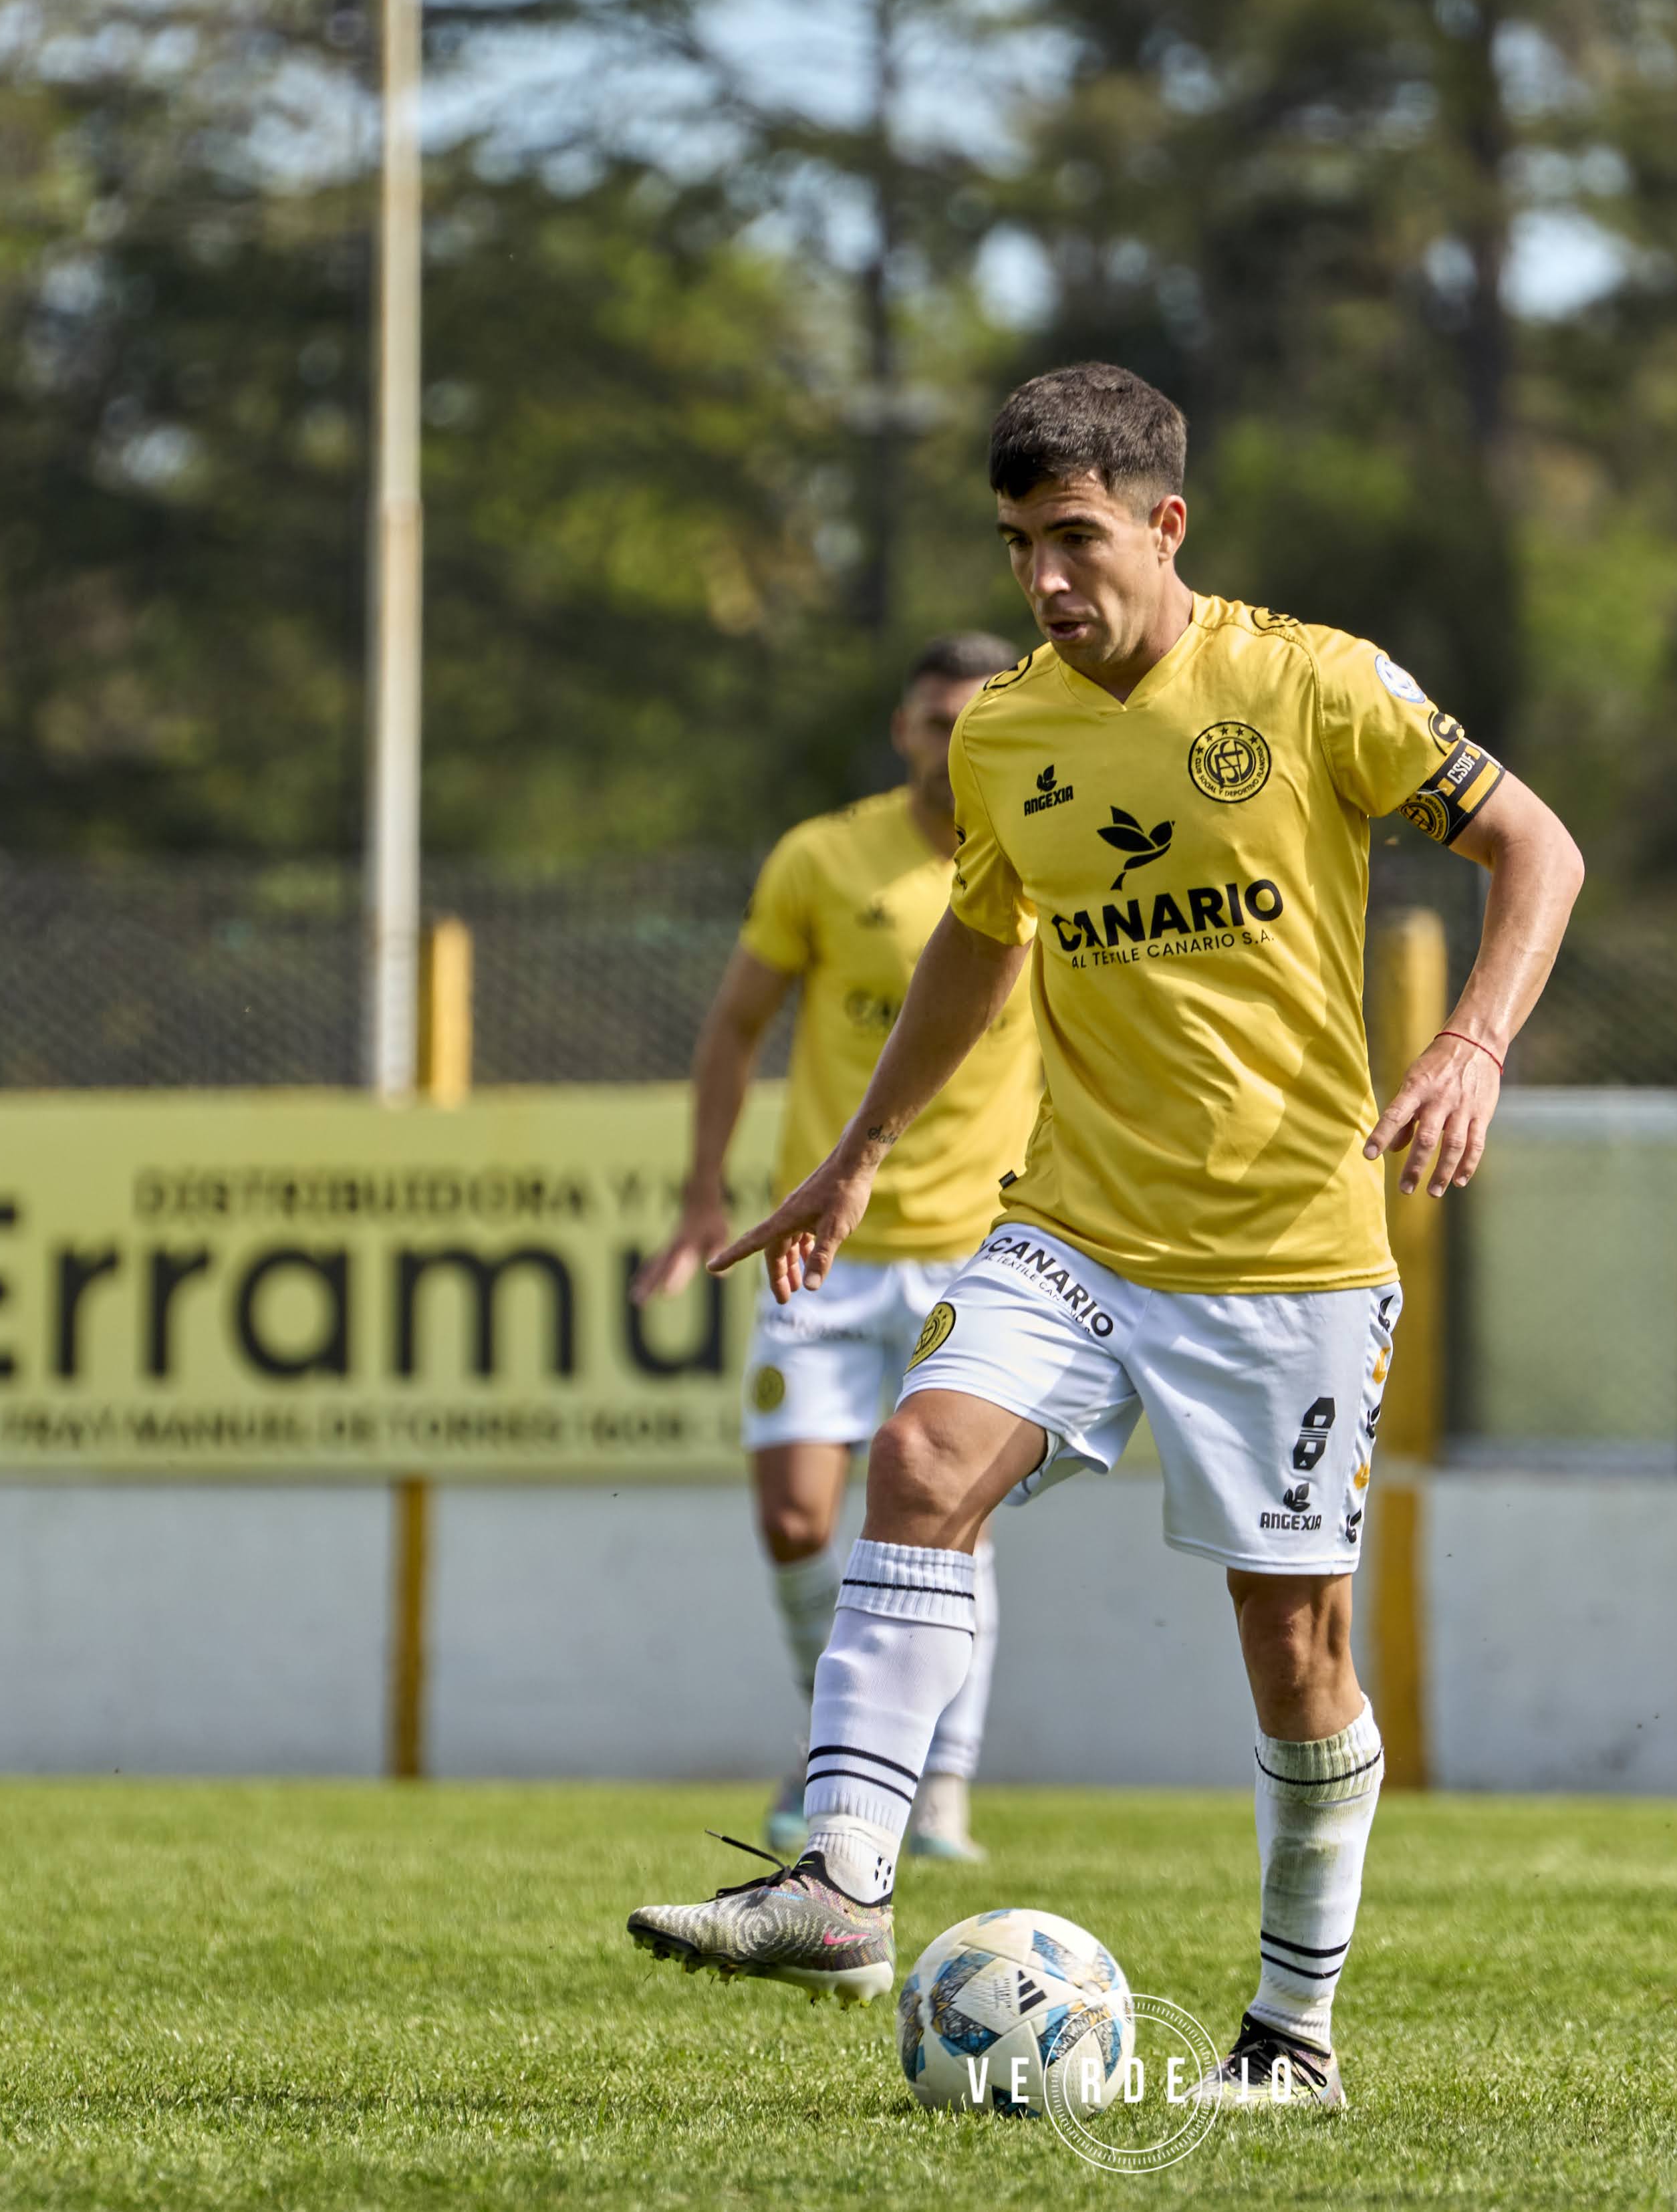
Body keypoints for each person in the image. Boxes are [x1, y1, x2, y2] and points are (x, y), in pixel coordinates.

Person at [624, 362, 1586, 2107]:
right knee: (914, 1459)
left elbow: (1538, 846)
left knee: (1292, 1653)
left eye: (1074, 539)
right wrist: (854, 1156)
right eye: (1016, 547)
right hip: (1071, 1226)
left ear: (1165, 523)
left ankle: (1290, 2037)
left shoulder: (1314, 684)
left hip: (1288, 1256)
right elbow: (979, 947)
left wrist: (1467, 1044)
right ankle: (844, 1878)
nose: (1046, 582)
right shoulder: (1006, 731)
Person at [630, 632, 1040, 1866]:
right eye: (930, 720)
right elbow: (734, 1027)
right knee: (800, 1519)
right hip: (828, 1246)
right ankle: (852, 1752)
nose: (948, 741)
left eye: (974, 720)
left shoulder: (1051, 848)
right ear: (902, 731)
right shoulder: (823, 856)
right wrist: (705, 1192)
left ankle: (935, 1792)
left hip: (978, 1250)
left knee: (941, 1521)